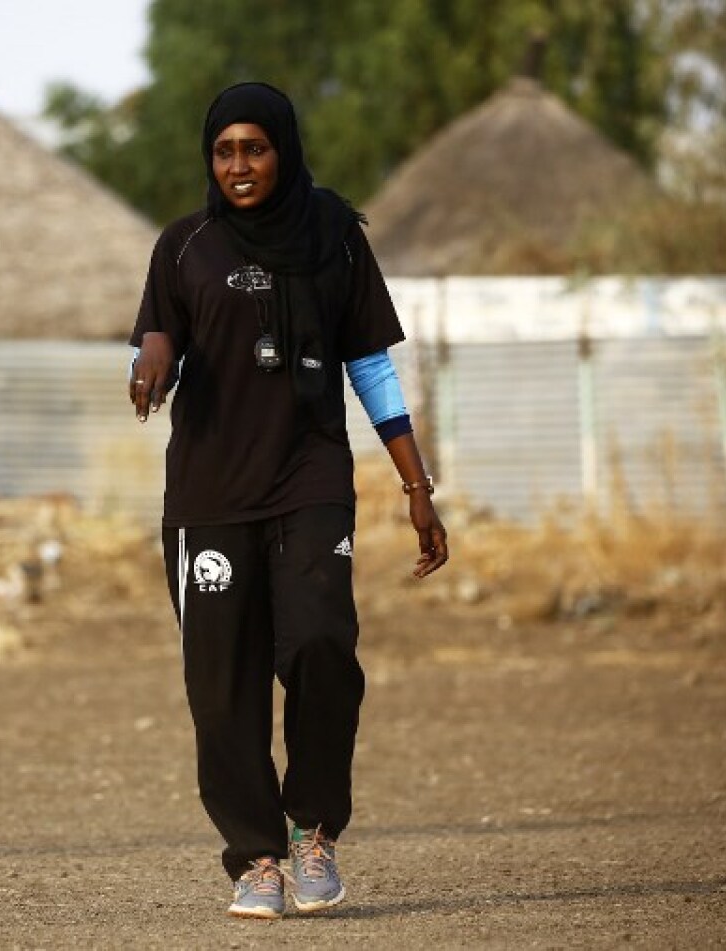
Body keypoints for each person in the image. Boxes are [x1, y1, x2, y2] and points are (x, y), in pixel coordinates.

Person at [127, 82, 449, 919]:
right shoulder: (184, 245)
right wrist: (151, 362)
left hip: (309, 476)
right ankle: (257, 856)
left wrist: (417, 486)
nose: (239, 165)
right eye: (224, 151)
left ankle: (313, 832)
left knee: (319, 645)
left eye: (255, 148)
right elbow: (158, 329)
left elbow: (371, 367)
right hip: (210, 494)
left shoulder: (336, 239)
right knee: (221, 683)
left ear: (284, 150)